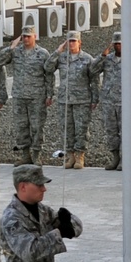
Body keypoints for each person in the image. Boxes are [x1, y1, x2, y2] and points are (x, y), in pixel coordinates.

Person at [0, 25, 53, 165]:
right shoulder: (16, 52)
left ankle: (36, 155)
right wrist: (11, 47)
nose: (26, 39)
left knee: (37, 126)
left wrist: (50, 94)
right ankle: (25, 155)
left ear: (35, 37)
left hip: (37, 96)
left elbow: (49, 75)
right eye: (24, 36)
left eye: (29, 36)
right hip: (20, 96)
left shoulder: (43, 53)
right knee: (21, 127)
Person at [44, 30, 99, 169]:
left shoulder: (87, 59)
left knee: (81, 129)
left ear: (80, 42)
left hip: (82, 100)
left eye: (74, 41)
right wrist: (57, 51)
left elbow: (95, 80)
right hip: (65, 99)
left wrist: (95, 98)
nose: (72, 43)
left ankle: (80, 156)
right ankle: (70, 156)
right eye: (69, 41)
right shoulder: (61, 57)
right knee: (67, 129)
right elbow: (48, 68)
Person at [89, 31, 131, 171]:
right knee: (111, 131)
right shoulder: (107, 59)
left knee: (126, 131)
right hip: (109, 101)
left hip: (126, 101)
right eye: (116, 44)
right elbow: (92, 71)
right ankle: (115, 157)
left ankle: (125, 159)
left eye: (121, 44)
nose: (118, 46)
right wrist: (102, 56)